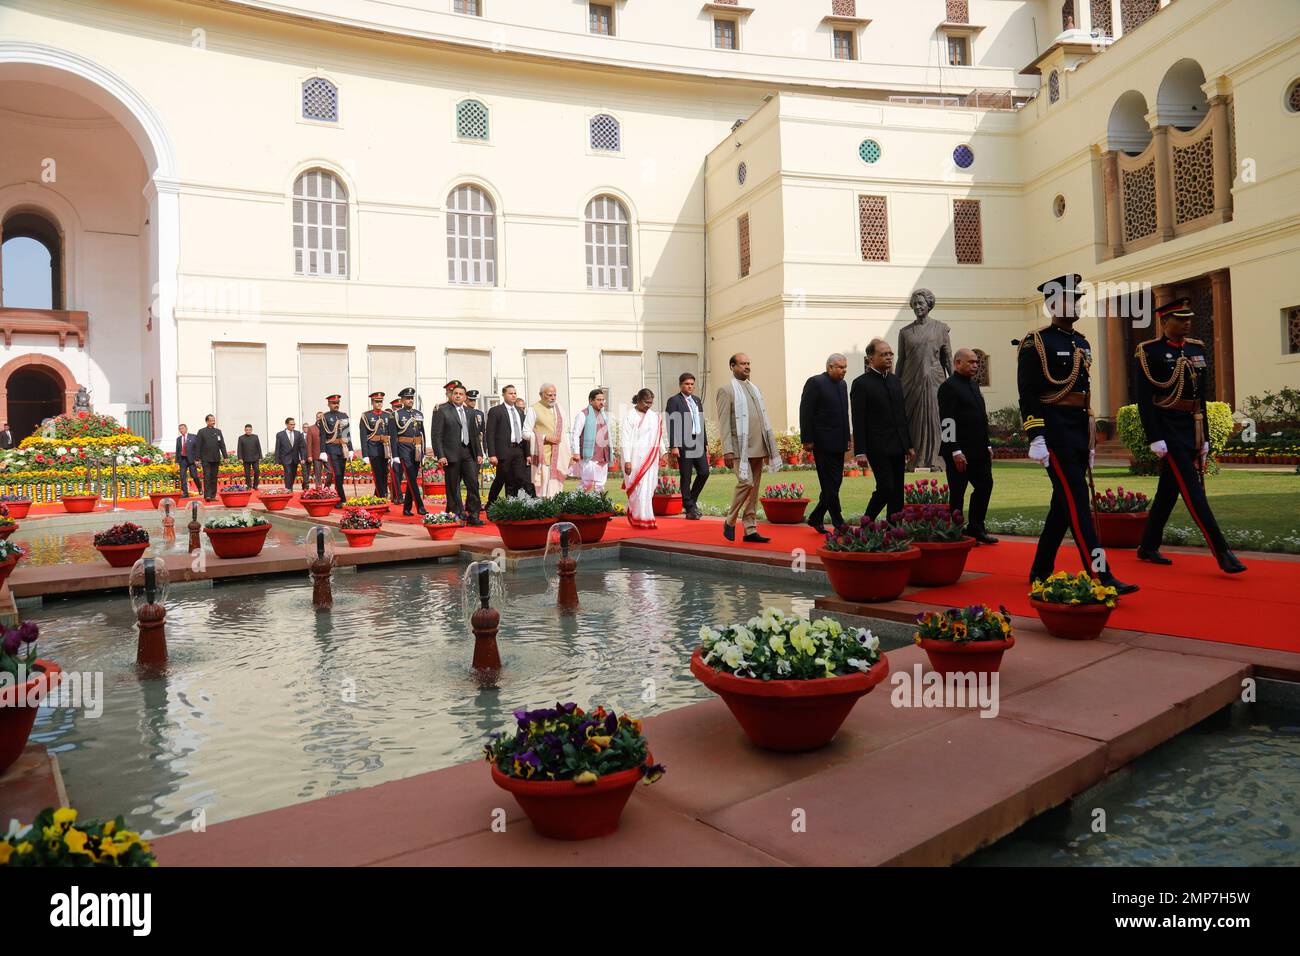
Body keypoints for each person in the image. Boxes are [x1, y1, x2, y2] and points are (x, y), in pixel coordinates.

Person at [1019, 274, 1137, 593]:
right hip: (1054, 435)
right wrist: (1036, 438)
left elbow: (1083, 393)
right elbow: (1029, 395)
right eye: (1071, 299)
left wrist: (1091, 435)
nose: (1077, 305)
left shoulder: (1081, 342)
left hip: (1077, 433)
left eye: (1078, 299)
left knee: (1063, 505)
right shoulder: (1036, 343)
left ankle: (1040, 570)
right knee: (1078, 503)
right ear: (1054, 304)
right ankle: (1101, 573)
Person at [1134, 298, 1246, 574]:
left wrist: (1205, 436)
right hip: (1168, 430)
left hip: (1191, 427)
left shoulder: (1197, 349)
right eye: (1180, 318)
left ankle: (1148, 545)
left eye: (1188, 318)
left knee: (1168, 491)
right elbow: (1145, 400)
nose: (1187, 322)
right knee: (1193, 492)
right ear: (1164, 321)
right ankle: (1222, 552)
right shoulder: (1149, 352)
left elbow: (1202, 398)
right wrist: (1154, 437)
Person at [715, 353, 778, 544]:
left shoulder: (754, 389)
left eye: (749, 363)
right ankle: (730, 520)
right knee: (746, 483)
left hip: (758, 446)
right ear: (732, 366)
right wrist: (727, 449)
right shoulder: (726, 390)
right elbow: (724, 423)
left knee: (754, 490)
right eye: (742, 364)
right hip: (738, 448)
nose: (747, 367)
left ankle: (750, 530)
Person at [938, 348, 998, 544]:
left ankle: (976, 528)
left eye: (977, 362)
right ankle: (955, 532)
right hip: (959, 452)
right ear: (957, 363)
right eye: (971, 362)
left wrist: (988, 445)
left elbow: (981, 417)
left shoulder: (973, 385)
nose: (975, 365)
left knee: (985, 485)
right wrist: (955, 450)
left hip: (979, 450)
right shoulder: (949, 387)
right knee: (958, 492)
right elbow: (947, 421)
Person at [851, 339, 914, 521]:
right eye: (883, 354)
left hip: (897, 445)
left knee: (897, 492)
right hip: (877, 446)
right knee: (886, 487)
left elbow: (902, 416)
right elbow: (858, 419)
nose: (888, 357)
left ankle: (895, 529)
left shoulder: (895, 381)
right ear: (871, 359)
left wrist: (908, 444)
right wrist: (860, 451)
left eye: (890, 354)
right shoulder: (861, 384)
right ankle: (867, 521)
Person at [895, 288, 953, 472]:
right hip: (911, 381)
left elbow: (948, 358)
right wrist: (894, 384)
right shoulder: (905, 332)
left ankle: (936, 459)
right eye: (914, 303)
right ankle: (916, 460)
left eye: (921, 303)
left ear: (929, 305)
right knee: (913, 421)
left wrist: (955, 383)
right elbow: (901, 360)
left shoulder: (941, 328)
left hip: (935, 380)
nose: (917, 307)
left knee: (935, 419)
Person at [799, 353, 851, 533]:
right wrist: (807, 439)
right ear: (829, 367)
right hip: (821, 443)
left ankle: (816, 517)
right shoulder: (815, 382)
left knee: (835, 483)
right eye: (840, 367)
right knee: (829, 484)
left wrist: (848, 438)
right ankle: (839, 522)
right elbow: (805, 411)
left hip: (839, 442)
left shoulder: (843, 385)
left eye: (845, 367)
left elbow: (845, 413)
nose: (844, 370)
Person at [431, 385, 485, 525]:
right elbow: (436, 435)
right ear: (451, 395)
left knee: (473, 484)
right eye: (455, 393)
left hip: (468, 453)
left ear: (465, 397)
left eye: (461, 394)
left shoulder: (470, 412)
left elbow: (474, 435)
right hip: (451, 454)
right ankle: (455, 516)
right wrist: (440, 455)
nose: (458, 396)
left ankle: (474, 516)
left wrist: (479, 453)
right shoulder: (442, 410)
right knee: (453, 487)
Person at [665, 373, 709, 520]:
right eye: (686, 384)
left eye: (692, 384)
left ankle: (691, 501)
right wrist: (674, 445)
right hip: (684, 444)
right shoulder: (674, 401)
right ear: (680, 385)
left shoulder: (696, 400)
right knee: (686, 476)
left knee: (704, 472)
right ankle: (690, 508)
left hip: (698, 442)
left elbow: (701, 422)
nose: (690, 386)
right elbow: (671, 424)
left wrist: (705, 442)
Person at [621, 388, 664, 529]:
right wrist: (627, 460)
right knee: (638, 489)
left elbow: (659, 436)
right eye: (646, 402)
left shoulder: (654, 416)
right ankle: (639, 517)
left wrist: (664, 453)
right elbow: (625, 439)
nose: (648, 405)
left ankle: (646, 518)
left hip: (650, 459)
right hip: (634, 459)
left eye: (651, 403)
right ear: (638, 400)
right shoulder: (630, 415)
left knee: (648, 488)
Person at [486, 384, 534, 506]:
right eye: (510, 393)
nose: (513, 395)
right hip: (503, 451)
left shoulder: (519, 411)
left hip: (518, 450)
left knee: (519, 479)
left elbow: (524, 434)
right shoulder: (496, 411)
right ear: (503, 395)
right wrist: (492, 454)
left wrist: (527, 453)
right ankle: (491, 502)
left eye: (515, 393)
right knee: (502, 479)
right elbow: (490, 434)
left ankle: (513, 504)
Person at [526, 383, 569, 497]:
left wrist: (570, 452)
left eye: (554, 395)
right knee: (543, 488)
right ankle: (544, 511)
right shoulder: (533, 409)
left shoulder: (559, 409)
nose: (553, 398)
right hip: (542, 455)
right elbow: (525, 433)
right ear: (541, 395)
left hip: (559, 455)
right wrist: (545, 438)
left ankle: (555, 510)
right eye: (549, 395)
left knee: (556, 488)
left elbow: (565, 432)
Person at [391, 387, 428, 516]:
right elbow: (393, 436)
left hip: (416, 448)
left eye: (411, 398)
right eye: (407, 398)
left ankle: (406, 508)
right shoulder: (396, 415)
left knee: (412, 479)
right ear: (402, 400)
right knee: (412, 478)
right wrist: (394, 455)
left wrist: (423, 452)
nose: (410, 400)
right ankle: (420, 506)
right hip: (404, 448)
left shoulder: (418, 414)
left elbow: (423, 434)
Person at [571, 389, 612, 492]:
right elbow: (575, 435)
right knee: (586, 483)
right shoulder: (583, 414)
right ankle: (575, 503)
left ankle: (599, 505)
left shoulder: (604, 415)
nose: (602, 402)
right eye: (598, 400)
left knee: (600, 484)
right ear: (590, 400)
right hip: (589, 456)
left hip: (603, 455)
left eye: (603, 400)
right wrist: (576, 452)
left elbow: (608, 435)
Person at [320, 394, 355, 507]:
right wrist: (323, 451)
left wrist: (350, 449)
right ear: (329, 404)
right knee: (337, 474)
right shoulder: (325, 417)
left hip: (343, 448)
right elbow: (322, 436)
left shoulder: (343, 416)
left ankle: (338, 496)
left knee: (341, 474)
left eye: (337, 403)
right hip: (331, 448)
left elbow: (346, 434)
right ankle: (342, 498)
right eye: (334, 403)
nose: (336, 405)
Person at [360, 391, 394, 498]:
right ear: (372, 402)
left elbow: (391, 434)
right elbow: (363, 436)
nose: (379, 404)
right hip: (373, 449)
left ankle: (379, 496)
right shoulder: (366, 416)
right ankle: (382, 497)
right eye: (377, 402)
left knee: (384, 474)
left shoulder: (387, 415)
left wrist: (393, 451)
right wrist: (365, 454)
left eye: (381, 402)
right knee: (378, 474)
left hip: (385, 449)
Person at [195, 414, 227, 502]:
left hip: (216, 458)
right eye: (211, 420)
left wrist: (225, 456)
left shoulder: (218, 431)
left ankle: (213, 495)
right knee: (207, 476)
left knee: (214, 477)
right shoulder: (201, 432)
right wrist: (197, 459)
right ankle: (207, 496)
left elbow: (222, 445)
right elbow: (198, 446)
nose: (213, 421)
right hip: (205, 458)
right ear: (207, 421)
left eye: (214, 420)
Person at [274, 418, 307, 491]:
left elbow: (302, 447)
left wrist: (303, 458)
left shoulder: (298, 434)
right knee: (288, 473)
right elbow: (277, 448)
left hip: (295, 459)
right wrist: (276, 461)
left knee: (293, 474)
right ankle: (288, 489)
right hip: (285, 458)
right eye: (291, 424)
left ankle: (290, 486)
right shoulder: (280, 434)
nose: (293, 426)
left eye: (294, 424)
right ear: (286, 424)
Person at [174, 423, 200, 498]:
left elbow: (197, 448)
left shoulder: (193, 437)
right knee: (182, 476)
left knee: (194, 475)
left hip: (192, 460)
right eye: (180, 429)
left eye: (182, 428)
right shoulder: (179, 439)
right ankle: (185, 493)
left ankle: (200, 488)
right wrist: (176, 462)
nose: (181, 430)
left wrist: (197, 459)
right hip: (183, 459)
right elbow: (177, 450)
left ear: (186, 428)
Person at [237, 424, 263, 489]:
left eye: (249, 430)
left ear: (251, 430)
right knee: (247, 474)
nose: (248, 431)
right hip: (245, 458)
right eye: (247, 430)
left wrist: (260, 457)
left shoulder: (255, 437)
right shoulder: (241, 438)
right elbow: (239, 448)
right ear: (245, 430)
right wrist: (240, 458)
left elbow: (258, 447)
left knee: (257, 471)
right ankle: (248, 485)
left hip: (255, 458)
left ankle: (255, 485)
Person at [304, 411, 324, 489]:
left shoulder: (328, 427)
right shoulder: (311, 428)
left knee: (330, 472)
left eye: (321, 417)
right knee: (318, 473)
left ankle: (327, 488)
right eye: (318, 417)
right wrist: (309, 455)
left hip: (327, 454)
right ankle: (319, 489)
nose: (319, 418)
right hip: (316, 455)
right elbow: (309, 444)